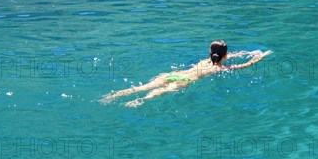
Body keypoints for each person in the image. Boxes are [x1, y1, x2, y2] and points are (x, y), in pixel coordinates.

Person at [100, 41, 272, 107]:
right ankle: (140, 101)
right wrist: (260, 57)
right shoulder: (220, 68)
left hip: (173, 74)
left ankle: (115, 95)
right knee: (155, 94)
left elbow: (223, 55)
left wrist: (237, 53)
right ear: (225, 57)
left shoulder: (204, 62)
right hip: (184, 81)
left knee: (144, 87)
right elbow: (245, 65)